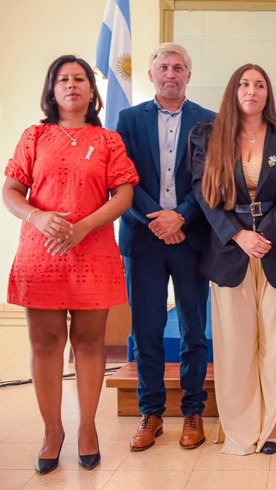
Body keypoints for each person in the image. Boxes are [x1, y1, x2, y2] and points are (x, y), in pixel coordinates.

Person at [2, 55, 138, 473]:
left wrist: (81, 228)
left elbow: (123, 196)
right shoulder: (34, 136)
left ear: (92, 91)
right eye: (62, 79)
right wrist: (38, 217)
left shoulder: (109, 140)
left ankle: (87, 430)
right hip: (40, 253)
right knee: (44, 345)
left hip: (92, 250)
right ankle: (52, 432)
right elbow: (11, 190)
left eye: (79, 78)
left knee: (89, 344)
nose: (72, 84)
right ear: (52, 88)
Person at [191, 64, 276, 455]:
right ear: (233, 90)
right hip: (230, 251)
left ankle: (272, 426)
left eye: (259, 84)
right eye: (244, 83)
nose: (251, 90)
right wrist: (239, 235)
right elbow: (204, 193)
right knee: (235, 346)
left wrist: (266, 234)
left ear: (267, 94)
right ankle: (241, 428)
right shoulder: (208, 137)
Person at [117, 43, 215, 452]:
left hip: (192, 238)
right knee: (147, 329)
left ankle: (193, 409)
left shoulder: (210, 121)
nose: (171, 73)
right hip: (143, 238)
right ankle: (152, 412)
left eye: (179, 67)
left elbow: (212, 181)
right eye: (163, 67)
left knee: (194, 329)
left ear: (188, 76)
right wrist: (158, 219)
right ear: (152, 74)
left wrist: (182, 217)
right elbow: (120, 177)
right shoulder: (128, 119)